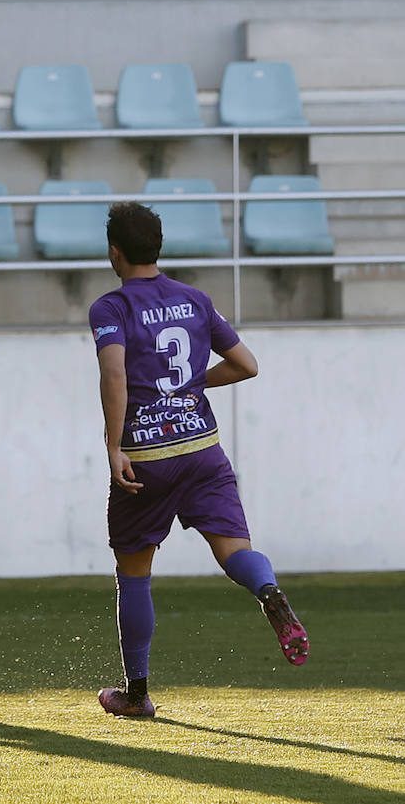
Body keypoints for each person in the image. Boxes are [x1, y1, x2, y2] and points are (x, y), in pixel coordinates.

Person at [87, 201, 309, 719]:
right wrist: (193, 384)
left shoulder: (111, 308)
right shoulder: (194, 299)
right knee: (235, 550)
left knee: (134, 570)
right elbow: (246, 365)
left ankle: (137, 694)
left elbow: (115, 376)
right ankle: (268, 591)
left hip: (148, 453)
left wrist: (114, 445)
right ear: (158, 246)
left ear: (114, 251)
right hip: (202, 447)